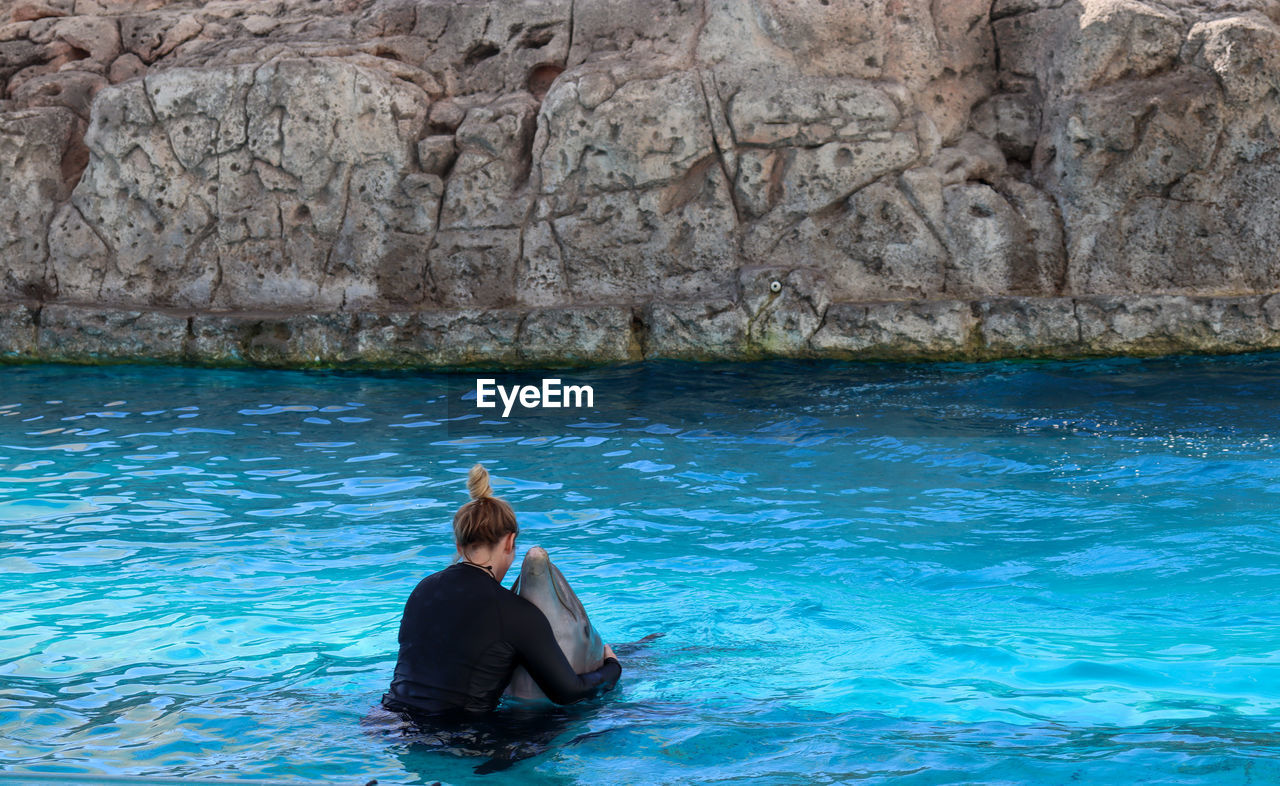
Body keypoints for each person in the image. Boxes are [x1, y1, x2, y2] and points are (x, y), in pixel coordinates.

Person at [382, 463, 621, 717]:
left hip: (387, 721)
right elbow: (569, 693)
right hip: (457, 740)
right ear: (509, 541)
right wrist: (612, 667)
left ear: (459, 544)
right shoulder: (516, 613)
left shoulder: (423, 589)